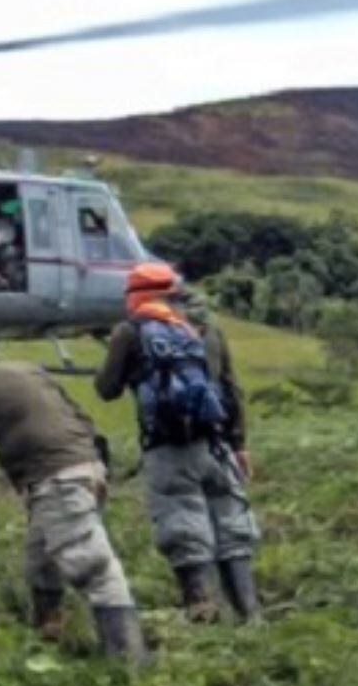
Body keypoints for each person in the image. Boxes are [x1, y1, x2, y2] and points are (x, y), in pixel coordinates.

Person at [0, 334, 145, 661]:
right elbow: (82, 418)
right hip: (89, 465)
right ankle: (48, 633)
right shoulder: (30, 369)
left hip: (55, 478)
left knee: (92, 567)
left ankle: (130, 657)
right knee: (41, 560)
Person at [95, 263, 261, 622]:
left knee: (182, 522)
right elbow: (231, 387)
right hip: (217, 444)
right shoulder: (207, 327)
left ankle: (202, 610)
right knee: (232, 526)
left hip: (167, 445)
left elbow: (106, 389)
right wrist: (240, 444)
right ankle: (251, 615)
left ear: (136, 295)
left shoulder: (131, 330)